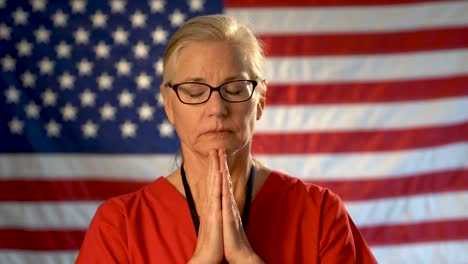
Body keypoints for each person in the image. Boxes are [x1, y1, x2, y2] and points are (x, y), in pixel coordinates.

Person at [76, 14, 378, 264]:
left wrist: (247, 259)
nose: (217, 108)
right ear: (168, 104)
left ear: (259, 101)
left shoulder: (321, 215)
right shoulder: (119, 227)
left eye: (234, 89)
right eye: (195, 92)